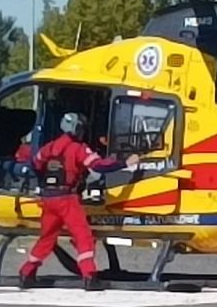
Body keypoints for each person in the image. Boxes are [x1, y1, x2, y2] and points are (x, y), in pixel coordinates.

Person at [19, 112, 138, 290]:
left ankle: (26, 272)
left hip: (48, 198)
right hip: (67, 199)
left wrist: (46, 184)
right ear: (78, 129)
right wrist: (125, 163)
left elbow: (35, 165)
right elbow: (100, 166)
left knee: (47, 237)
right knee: (83, 236)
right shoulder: (78, 149)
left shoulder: (49, 147)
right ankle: (90, 276)